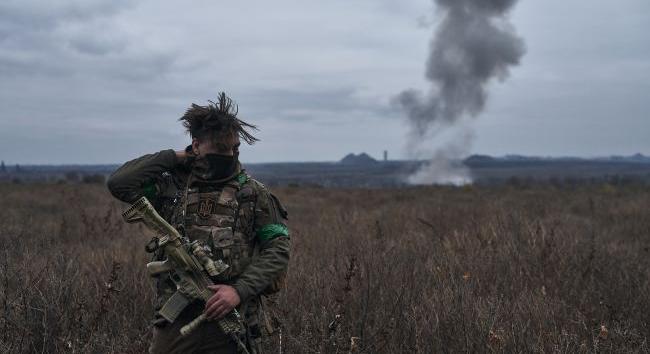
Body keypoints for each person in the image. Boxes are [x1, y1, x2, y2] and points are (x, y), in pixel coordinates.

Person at [107, 92, 290, 353]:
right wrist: (177, 157)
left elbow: (279, 249)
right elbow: (119, 183)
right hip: (176, 321)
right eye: (221, 149)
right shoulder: (173, 188)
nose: (230, 155)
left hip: (234, 319)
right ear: (197, 145)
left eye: (234, 148)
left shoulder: (253, 193)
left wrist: (238, 291)